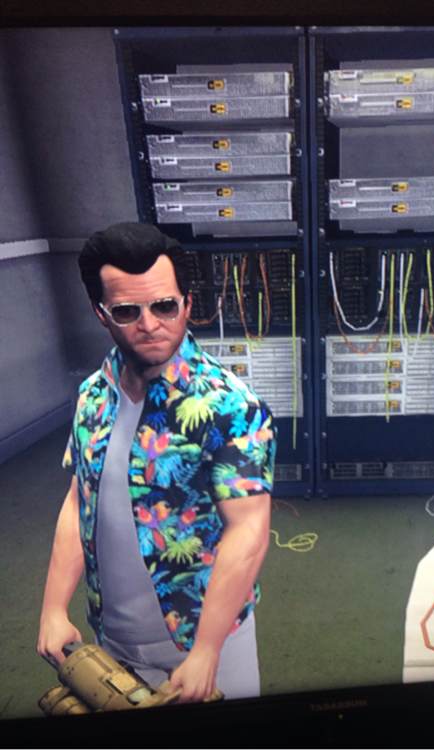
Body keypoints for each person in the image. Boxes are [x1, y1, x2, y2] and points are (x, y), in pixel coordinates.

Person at [37, 222, 277, 703]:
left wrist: (207, 649)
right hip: (110, 642)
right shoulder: (92, 396)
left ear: (186, 304)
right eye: (128, 311)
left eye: (164, 306)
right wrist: (53, 607)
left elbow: (249, 529)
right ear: (101, 314)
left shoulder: (231, 406)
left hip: (206, 643)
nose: (149, 324)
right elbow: (80, 500)